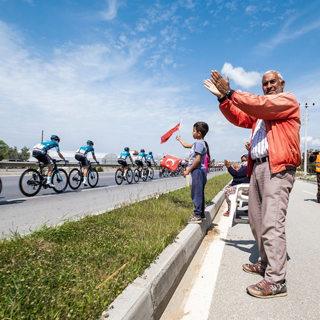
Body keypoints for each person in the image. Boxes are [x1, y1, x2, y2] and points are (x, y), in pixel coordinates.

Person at [204, 70, 301, 298]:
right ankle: (265, 264)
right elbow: (240, 116)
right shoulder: (261, 113)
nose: (268, 86)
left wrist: (230, 92)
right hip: (256, 168)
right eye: (264, 83)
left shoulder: (287, 100)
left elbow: (258, 104)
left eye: (272, 82)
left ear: (282, 84)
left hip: (276, 168)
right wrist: (223, 99)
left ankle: (277, 280)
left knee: (271, 223)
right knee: (256, 221)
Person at [176, 122, 209, 224]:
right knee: (199, 192)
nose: (192, 132)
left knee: (196, 193)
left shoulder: (199, 143)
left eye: (194, 130)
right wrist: (179, 138)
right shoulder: (197, 143)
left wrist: (188, 170)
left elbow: (198, 159)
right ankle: (201, 214)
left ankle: (197, 215)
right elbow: (186, 145)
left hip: (197, 171)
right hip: (199, 171)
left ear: (199, 133)